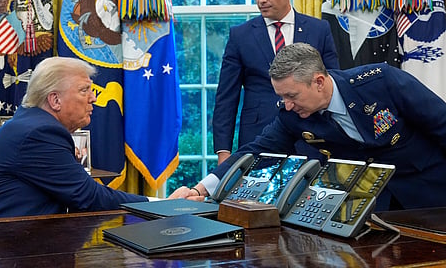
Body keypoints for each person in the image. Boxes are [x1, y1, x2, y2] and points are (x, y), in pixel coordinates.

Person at [171, 42, 446, 211]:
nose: (287, 105)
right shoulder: (293, 117)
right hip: (373, 208)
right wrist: (200, 189)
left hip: (430, 193)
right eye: (281, 97)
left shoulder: (380, 82)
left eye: (291, 96)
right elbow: (254, 153)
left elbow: (441, 123)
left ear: (318, 81)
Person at [0, 57, 148, 219]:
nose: (93, 98)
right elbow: (89, 197)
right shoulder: (39, 133)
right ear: (55, 100)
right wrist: (155, 204)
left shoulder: (31, 123)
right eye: (84, 90)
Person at [213, 0, 340, 165]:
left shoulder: (319, 30)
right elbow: (226, 99)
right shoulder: (240, 36)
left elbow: (333, 84)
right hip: (257, 139)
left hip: (311, 139)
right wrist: (224, 153)